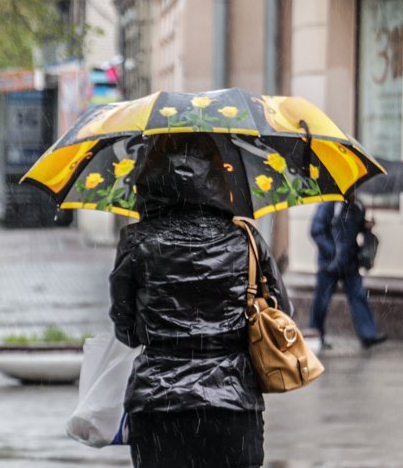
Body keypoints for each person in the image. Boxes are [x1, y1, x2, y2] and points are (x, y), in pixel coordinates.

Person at [109, 134, 292, 468]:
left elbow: (126, 329)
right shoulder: (246, 240)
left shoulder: (136, 242)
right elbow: (282, 312)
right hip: (233, 402)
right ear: (220, 178)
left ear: (149, 177)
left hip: (157, 402)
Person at [309, 195, 387, 349]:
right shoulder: (329, 205)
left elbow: (356, 228)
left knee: (358, 295)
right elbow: (316, 230)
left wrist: (366, 227)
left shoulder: (358, 206)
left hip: (350, 261)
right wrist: (332, 252)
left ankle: (368, 334)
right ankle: (315, 334)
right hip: (329, 264)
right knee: (322, 300)